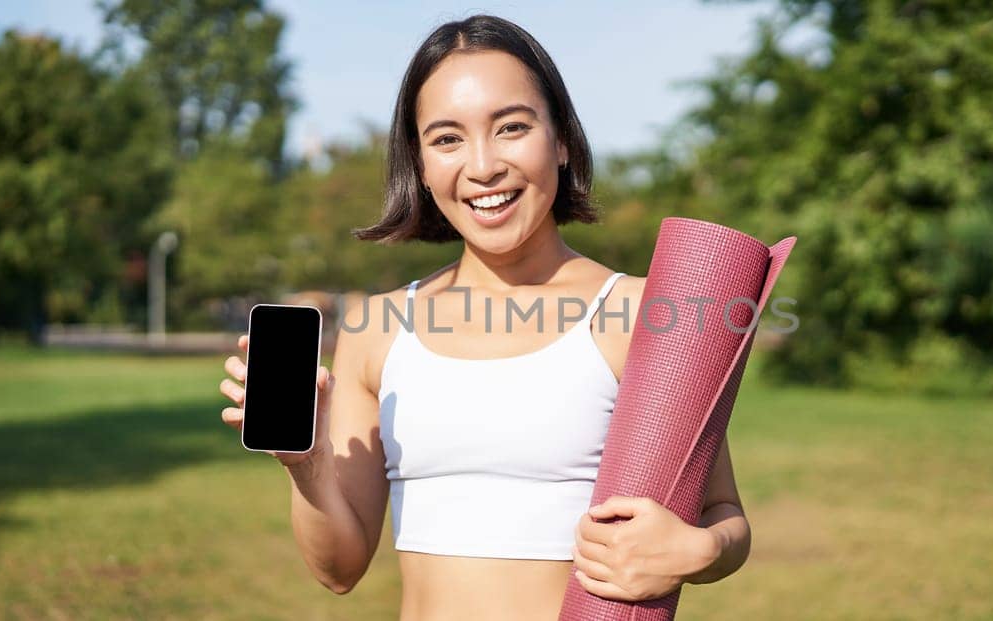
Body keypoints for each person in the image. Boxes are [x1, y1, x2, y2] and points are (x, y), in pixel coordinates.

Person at [218, 15, 750, 619]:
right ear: (419, 164)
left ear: (562, 140)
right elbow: (338, 571)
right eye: (447, 139)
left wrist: (697, 549)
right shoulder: (377, 330)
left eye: (512, 128)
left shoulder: (641, 314)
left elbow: (724, 517)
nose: (483, 165)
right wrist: (308, 465)